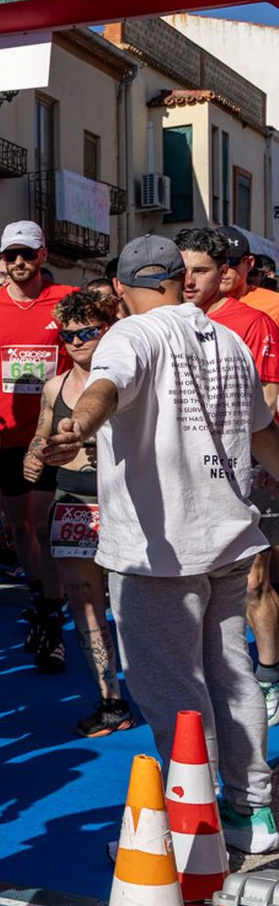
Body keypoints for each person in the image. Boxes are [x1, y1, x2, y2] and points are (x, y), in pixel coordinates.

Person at [41, 233, 279, 854]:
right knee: (233, 679)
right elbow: (265, 435)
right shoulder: (228, 340)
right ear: (182, 280)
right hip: (228, 538)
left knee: (174, 692)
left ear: (120, 288)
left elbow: (105, 388)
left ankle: (195, 829)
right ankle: (251, 811)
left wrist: (76, 429)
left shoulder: (129, 335)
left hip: (159, 553)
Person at [177, 227, 279, 726]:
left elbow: (266, 399)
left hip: (246, 470)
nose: (189, 280)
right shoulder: (166, 322)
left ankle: (267, 678)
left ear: (225, 273)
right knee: (193, 584)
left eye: (199, 270)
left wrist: (245, 461)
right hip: (187, 476)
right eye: (184, 269)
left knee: (255, 582)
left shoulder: (253, 322)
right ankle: (208, 682)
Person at [23, 291, 134, 738]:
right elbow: (40, 435)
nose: (76, 342)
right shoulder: (55, 386)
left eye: (86, 333)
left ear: (107, 329)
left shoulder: (131, 378)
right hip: (72, 500)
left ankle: (160, 686)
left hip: (126, 501)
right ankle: (112, 701)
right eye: (67, 336)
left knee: (133, 605)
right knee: (84, 602)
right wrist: (35, 457)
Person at [0, 222, 77, 665]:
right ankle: (41, 601)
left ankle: (53, 619)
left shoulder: (66, 301)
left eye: (27, 254)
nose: (18, 262)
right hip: (6, 432)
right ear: (2, 258)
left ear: (42, 255)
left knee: (45, 528)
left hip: (54, 433)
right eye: (11, 254)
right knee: (20, 529)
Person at [222, 227, 279, 329]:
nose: (224, 268)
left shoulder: (275, 304)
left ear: (248, 264)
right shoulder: (196, 305)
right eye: (216, 261)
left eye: (231, 261)